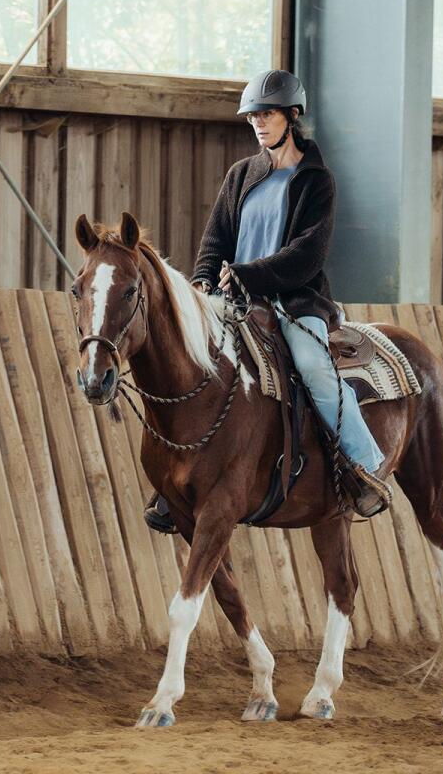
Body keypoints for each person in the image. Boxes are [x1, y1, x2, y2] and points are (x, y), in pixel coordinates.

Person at [144, 69, 389, 534]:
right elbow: (214, 240)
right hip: (232, 302)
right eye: (253, 116)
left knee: (315, 369)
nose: (259, 123)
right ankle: (174, 484)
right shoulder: (241, 176)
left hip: (294, 303)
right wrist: (201, 285)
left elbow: (305, 255)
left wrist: (247, 275)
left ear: (292, 116)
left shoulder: (317, 181)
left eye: (268, 114)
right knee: (197, 368)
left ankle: (362, 467)